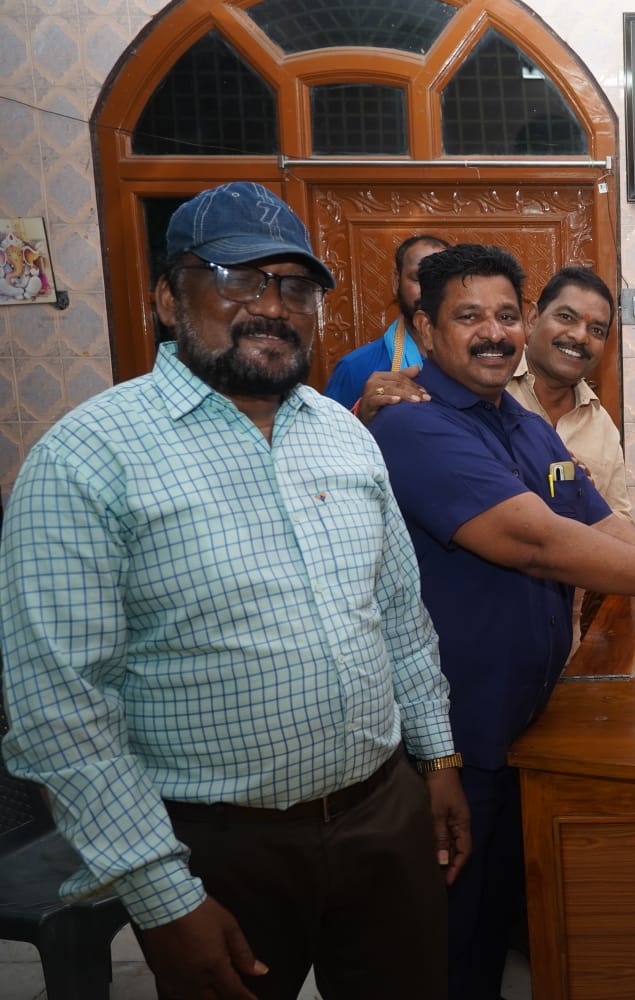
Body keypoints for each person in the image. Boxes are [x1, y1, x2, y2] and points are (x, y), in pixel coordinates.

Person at [0, 182, 468, 1000]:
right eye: (237, 278)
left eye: (295, 287)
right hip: (216, 846)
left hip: (382, 813)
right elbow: (62, 709)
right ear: (168, 300)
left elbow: (400, 615)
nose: (272, 306)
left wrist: (437, 760)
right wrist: (161, 893)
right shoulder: (86, 458)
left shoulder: (345, 434)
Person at [366, 243, 635, 999]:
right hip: (451, 737)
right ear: (425, 329)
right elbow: (537, 543)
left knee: (494, 922)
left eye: (505, 314)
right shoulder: (413, 427)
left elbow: (600, 524)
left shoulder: (525, 426)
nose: (493, 333)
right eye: (468, 317)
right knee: (446, 939)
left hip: (523, 722)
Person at [506, 265, 631, 518]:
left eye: (596, 330)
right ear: (532, 319)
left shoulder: (601, 426)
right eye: (566, 317)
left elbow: (620, 519)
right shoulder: (491, 390)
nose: (580, 336)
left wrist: (588, 505)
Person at [323, 233, 450, 420]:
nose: (429, 290)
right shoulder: (355, 367)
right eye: (418, 278)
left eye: (440, 279)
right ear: (396, 282)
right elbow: (327, 435)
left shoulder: (472, 360)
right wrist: (362, 415)